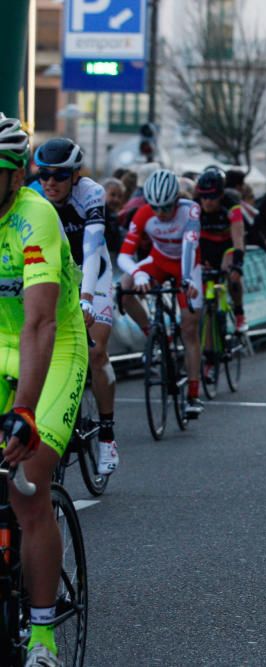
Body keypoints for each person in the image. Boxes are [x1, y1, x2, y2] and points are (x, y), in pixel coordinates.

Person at [0, 114, 89, 667]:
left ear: (13, 176)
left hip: (54, 349)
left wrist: (23, 413)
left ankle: (42, 636)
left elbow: (39, 324)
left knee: (26, 481)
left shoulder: (36, 218)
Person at [33, 138, 121, 476]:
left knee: (97, 354)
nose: (50, 182)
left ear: (75, 175)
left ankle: (108, 434)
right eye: (44, 175)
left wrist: (85, 298)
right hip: (54, 273)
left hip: (92, 272)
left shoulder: (91, 193)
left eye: (59, 175)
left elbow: (93, 245)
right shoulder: (33, 194)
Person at [117, 169, 205, 418]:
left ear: (176, 200)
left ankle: (193, 393)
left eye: (166, 207)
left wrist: (187, 280)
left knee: (189, 327)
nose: (161, 213)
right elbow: (125, 255)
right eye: (155, 207)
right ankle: (155, 338)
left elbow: (189, 247)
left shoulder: (191, 210)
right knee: (125, 287)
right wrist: (140, 273)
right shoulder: (144, 213)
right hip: (159, 260)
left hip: (187, 265)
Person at [194, 168, 248, 333]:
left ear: (221, 194)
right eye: (204, 196)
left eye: (212, 197)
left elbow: (238, 238)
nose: (207, 202)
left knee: (232, 276)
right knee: (208, 298)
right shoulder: (195, 205)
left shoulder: (231, 205)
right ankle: (210, 354)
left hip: (227, 247)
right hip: (205, 247)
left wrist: (237, 265)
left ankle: (239, 313)